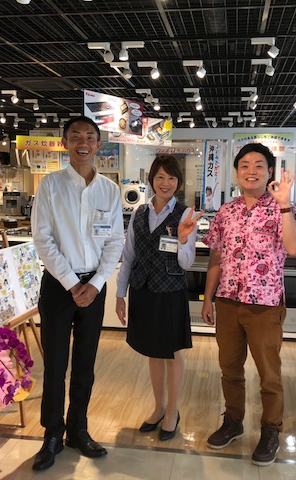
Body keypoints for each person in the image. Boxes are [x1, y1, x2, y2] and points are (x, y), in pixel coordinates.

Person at [201, 143, 296, 467]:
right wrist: (208, 297)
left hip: (265, 304)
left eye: (259, 165)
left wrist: (284, 204)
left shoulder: (283, 209)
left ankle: (271, 430)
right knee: (230, 369)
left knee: (269, 374)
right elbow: (216, 257)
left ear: (269, 171)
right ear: (236, 172)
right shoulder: (226, 212)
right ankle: (233, 422)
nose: (251, 171)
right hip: (228, 301)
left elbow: (295, 248)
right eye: (245, 165)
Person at [31, 116, 125, 471]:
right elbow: (43, 239)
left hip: (95, 287)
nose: (82, 143)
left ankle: (78, 430)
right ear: (65, 143)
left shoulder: (109, 190)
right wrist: (73, 283)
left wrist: (96, 283)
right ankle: (52, 434)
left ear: (98, 144)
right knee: (55, 364)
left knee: (85, 364)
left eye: (89, 137)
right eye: (75, 137)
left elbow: (115, 240)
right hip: (59, 286)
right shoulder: (50, 185)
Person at [115, 155, 203, 441]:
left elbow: (187, 263)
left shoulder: (186, 215)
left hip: (170, 292)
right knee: (153, 351)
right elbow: (129, 256)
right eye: (160, 177)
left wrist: (181, 239)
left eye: (171, 178)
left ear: (178, 182)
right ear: (151, 179)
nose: (165, 183)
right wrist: (120, 294)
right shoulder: (139, 213)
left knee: (172, 352)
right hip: (142, 290)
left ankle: (172, 412)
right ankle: (159, 407)